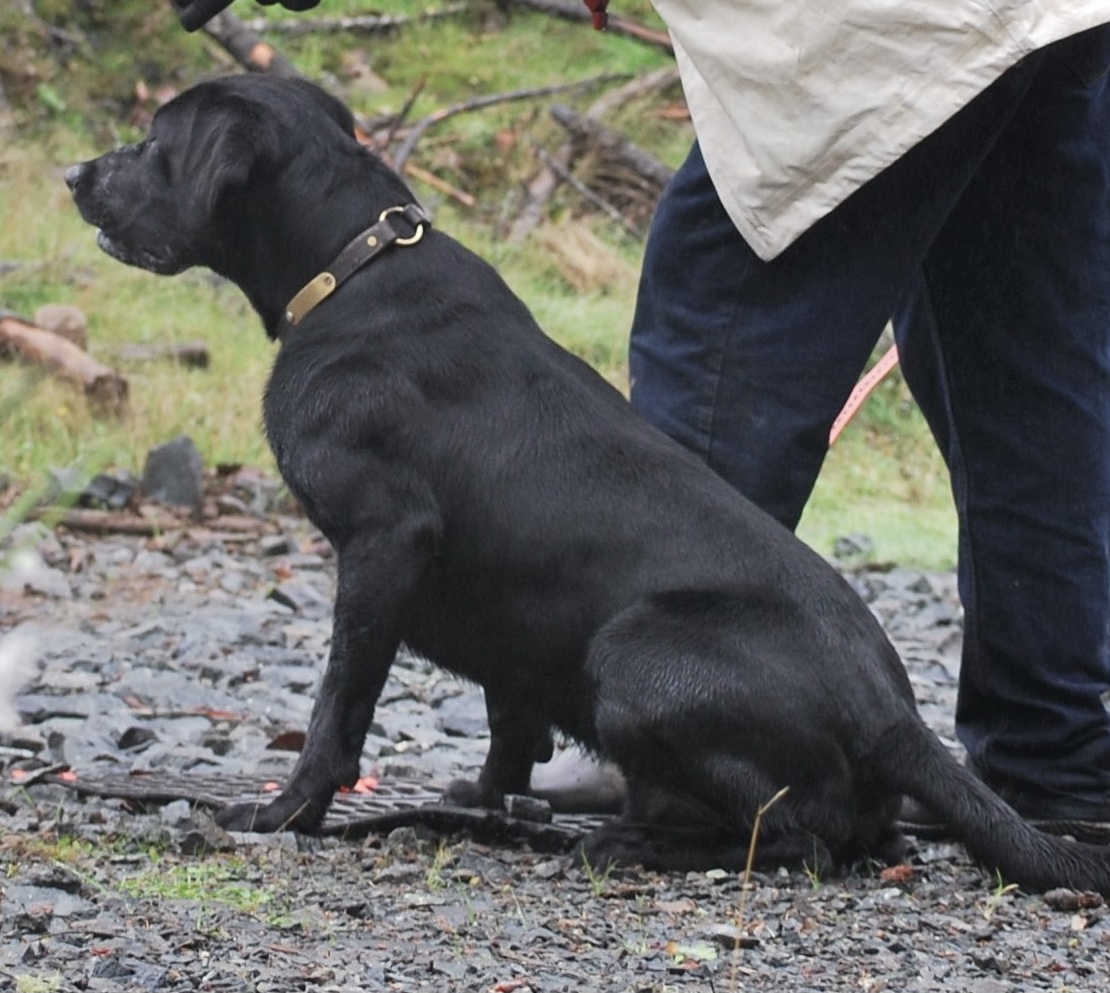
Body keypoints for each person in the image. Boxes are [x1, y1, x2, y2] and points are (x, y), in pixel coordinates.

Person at [177, 0, 1110, 828]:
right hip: (1039, 17)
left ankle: (699, 765)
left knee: (716, 310)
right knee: (1020, 373)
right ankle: (1056, 755)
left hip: (865, 34)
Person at [624, 3, 1110, 829]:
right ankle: (1056, 750)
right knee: (1017, 350)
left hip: (885, 23)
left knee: (721, 305)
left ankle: (674, 737)